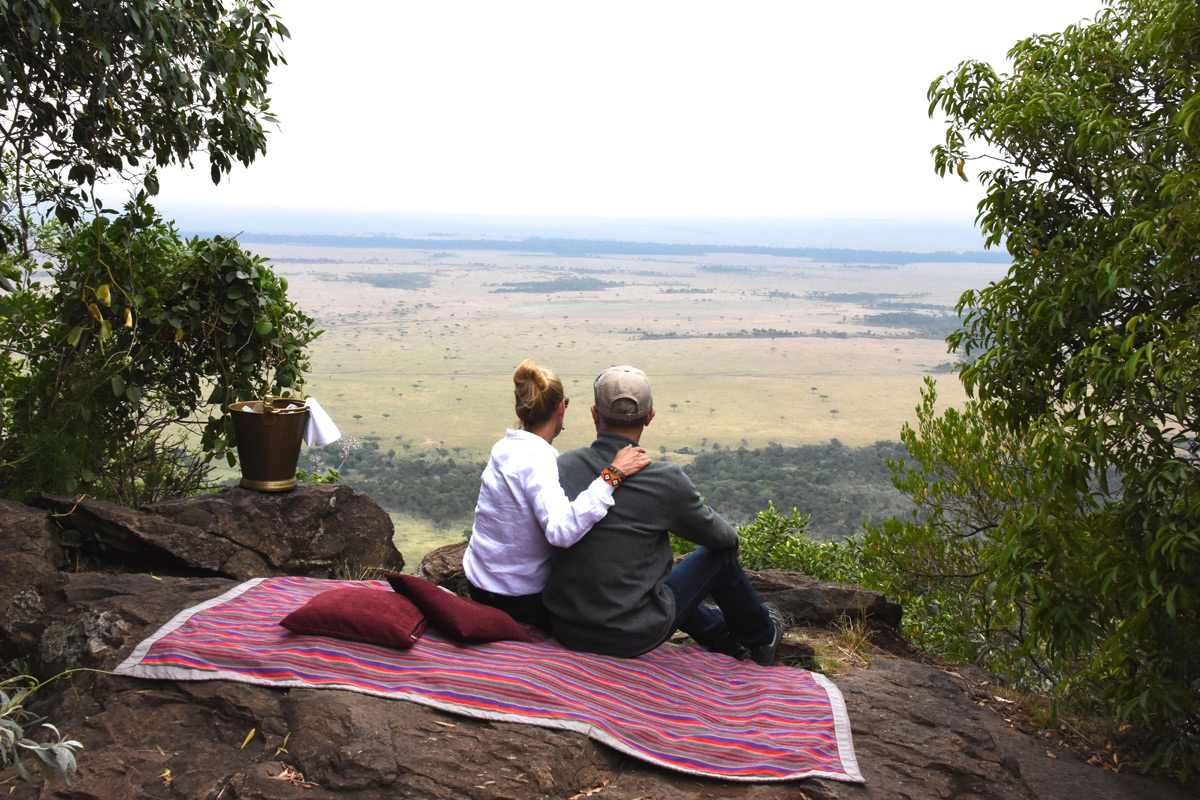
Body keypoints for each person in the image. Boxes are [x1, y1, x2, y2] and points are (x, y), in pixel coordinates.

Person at [543, 365, 785, 664]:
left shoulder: (564, 465)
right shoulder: (664, 479)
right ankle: (763, 635)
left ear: (594, 414)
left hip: (567, 627)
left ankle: (720, 635)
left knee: (649, 574)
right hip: (631, 634)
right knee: (718, 559)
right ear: (650, 416)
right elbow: (722, 538)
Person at [462, 359, 651, 628]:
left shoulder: (502, 448)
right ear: (561, 407)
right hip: (517, 600)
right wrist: (612, 475)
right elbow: (561, 532)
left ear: (519, 409)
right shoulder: (538, 460)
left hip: (478, 582)